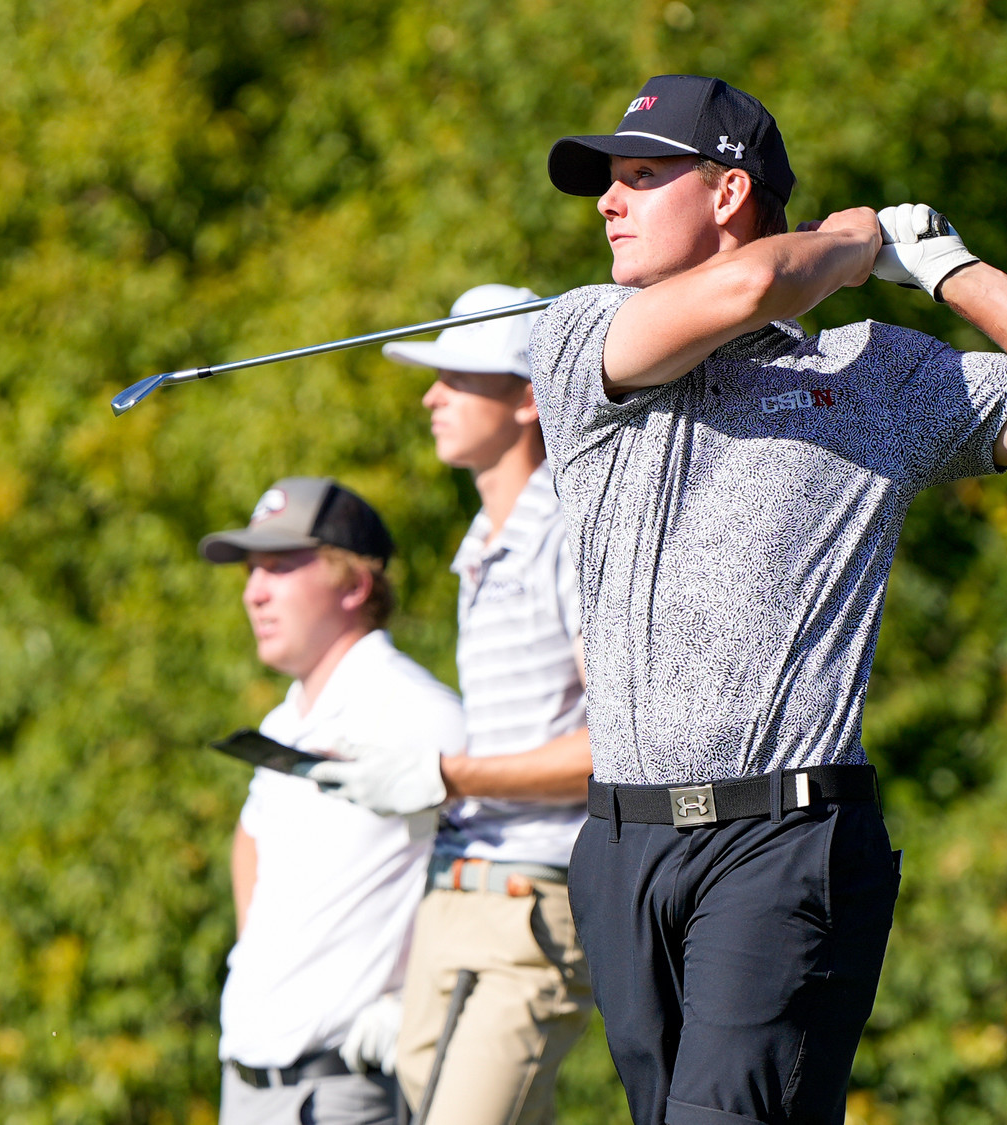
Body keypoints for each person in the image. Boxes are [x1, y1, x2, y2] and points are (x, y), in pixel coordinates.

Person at [525, 74, 1007, 1125]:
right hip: (622, 848)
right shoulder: (580, 333)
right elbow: (742, 294)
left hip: (783, 843)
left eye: (641, 178)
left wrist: (949, 270)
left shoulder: (877, 378)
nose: (607, 202)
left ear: (728, 194)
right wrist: (853, 244)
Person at [311, 285, 595, 1125]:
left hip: (532, 903)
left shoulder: (572, 532)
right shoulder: (479, 547)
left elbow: (620, 746)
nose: (431, 396)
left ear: (529, 398)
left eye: (459, 378)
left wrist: (444, 774)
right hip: (455, 901)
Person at [203, 477, 465, 1125]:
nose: (253, 590)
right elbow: (251, 837)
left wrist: (418, 996)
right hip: (247, 1084)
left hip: (338, 1095)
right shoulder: (287, 717)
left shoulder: (418, 713)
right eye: (252, 570)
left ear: (354, 585)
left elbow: (511, 856)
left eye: (281, 566)